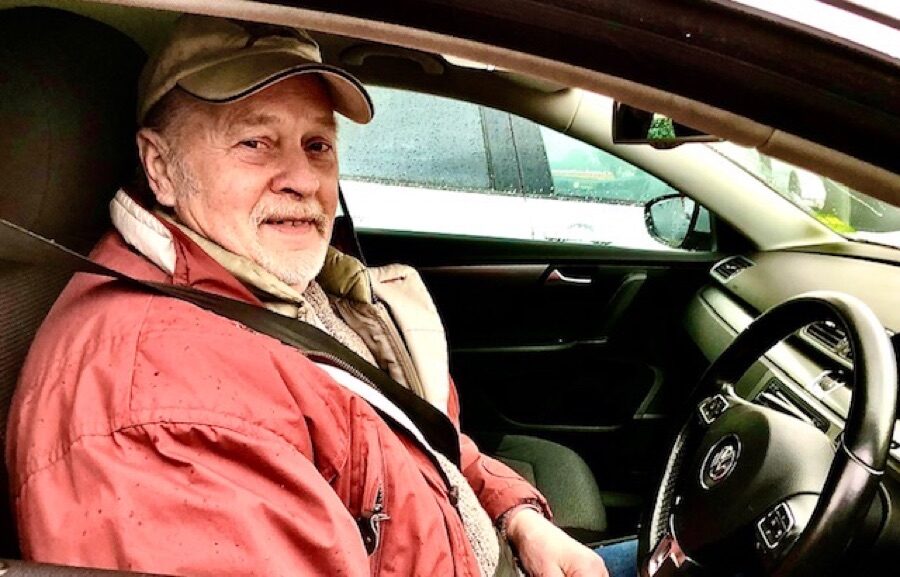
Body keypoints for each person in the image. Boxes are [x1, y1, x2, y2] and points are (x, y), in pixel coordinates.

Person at [7, 15, 636, 577]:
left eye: (318, 146)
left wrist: (517, 516)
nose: (303, 180)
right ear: (161, 168)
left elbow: (415, 444)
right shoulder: (164, 409)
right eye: (255, 143)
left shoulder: (273, 284)